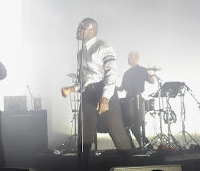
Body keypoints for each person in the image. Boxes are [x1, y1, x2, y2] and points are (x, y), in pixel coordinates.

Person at [61, 18, 134, 170]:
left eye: (81, 29)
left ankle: (131, 167)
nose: (78, 31)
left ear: (91, 30)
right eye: (78, 28)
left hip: (104, 91)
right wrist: (71, 89)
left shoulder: (102, 46)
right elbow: (84, 81)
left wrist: (106, 96)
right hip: (88, 95)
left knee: (116, 131)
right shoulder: (81, 53)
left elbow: (111, 72)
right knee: (84, 136)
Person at [118, 51, 155, 149]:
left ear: (135, 59)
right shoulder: (127, 73)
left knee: (135, 125)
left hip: (137, 99)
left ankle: (147, 146)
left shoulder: (142, 70)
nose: (128, 59)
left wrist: (151, 76)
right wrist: (112, 86)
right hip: (127, 99)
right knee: (125, 125)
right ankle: (131, 147)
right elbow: (122, 88)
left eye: (129, 57)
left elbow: (152, 81)